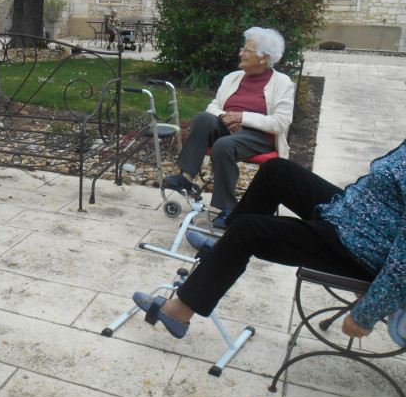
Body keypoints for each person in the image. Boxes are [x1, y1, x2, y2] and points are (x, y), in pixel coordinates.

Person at [133, 142, 406, 341]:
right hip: (353, 214)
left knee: (248, 230)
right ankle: (221, 252)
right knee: (277, 171)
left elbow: (402, 265)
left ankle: (178, 313)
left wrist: (366, 314)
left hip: (361, 247)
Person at [162, 27, 294, 228]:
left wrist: (244, 118)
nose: (241, 53)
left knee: (223, 146)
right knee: (204, 117)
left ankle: (228, 209)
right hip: (227, 129)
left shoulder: (282, 83)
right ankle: (186, 177)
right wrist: (226, 118)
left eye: (247, 50)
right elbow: (213, 106)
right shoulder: (233, 77)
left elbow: (281, 122)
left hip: (259, 137)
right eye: (243, 49)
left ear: (264, 57)